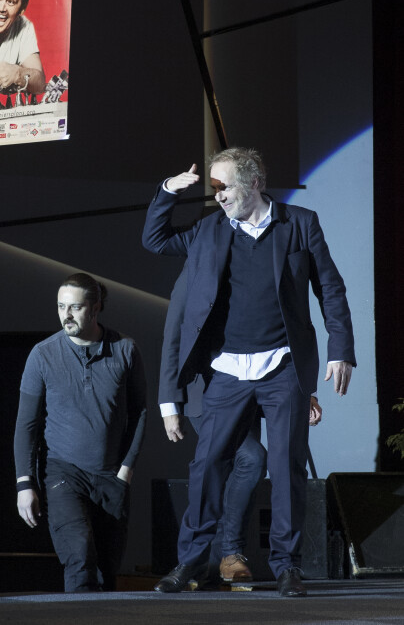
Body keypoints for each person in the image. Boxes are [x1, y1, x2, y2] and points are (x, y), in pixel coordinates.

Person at [143, 147, 355, 597]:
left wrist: (342, 349)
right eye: (212, 188)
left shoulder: (300, 224)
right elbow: (156, 240)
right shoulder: (208, 230)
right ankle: (190, 563)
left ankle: (286, 566)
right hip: (227, 370)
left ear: (255, 182)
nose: (216, 196)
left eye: (224, 187)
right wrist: (167, 191)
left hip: (282, 366)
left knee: (286, 465)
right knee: (205, 466)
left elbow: (330, 289)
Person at [159, 263, 323, 587]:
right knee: (248, 458)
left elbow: (282, 332)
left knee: (250, 463)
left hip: (254, 391)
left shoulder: (257, 266)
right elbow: (176, 333)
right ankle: (216, 555)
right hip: (206, 393)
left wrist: (306, 395)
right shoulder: (199, 269)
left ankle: (222, 558)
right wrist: (169, 402)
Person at [13, 273, 147, 593]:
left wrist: (125, 472)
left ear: (96, 307)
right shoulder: (43, 354)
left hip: (111, 477)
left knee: (106, 570)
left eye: (75, 307)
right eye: (61, 307)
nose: (66, 315)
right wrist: (24, 483)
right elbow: (26, 425)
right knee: (80, 558)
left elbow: (139, 413)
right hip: (63, 473)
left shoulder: (125, 350)